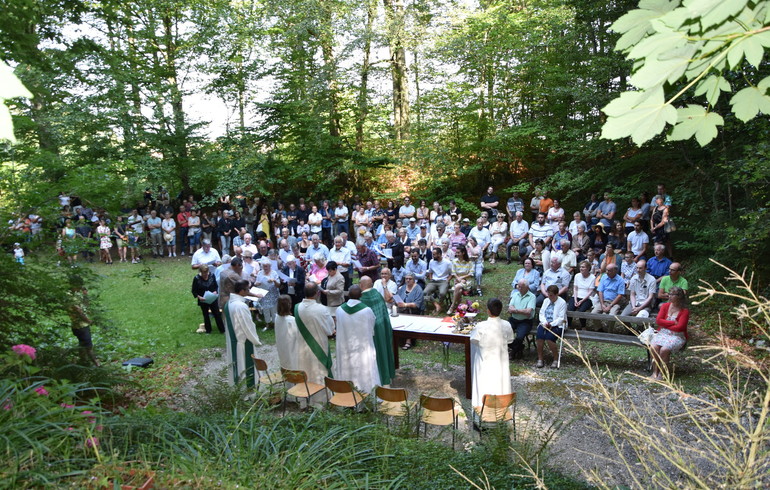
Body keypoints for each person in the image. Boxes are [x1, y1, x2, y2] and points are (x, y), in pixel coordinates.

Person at [334, 285, 380, 393]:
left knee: (347, 368)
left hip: (345, 346)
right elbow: (371, 326)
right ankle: (366, 393)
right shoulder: (367, 310)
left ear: (348, 295)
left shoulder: (339, 310)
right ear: (361, 296)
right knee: (363, 368)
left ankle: (346, 394)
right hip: (362, 348)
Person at [470, 298, 514, 410]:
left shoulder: (481, 326)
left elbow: (473, 340)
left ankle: (482, 412)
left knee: (484, 387)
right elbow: (510, 339)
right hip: (500, 362)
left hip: (484, 363)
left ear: (488, 311)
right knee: (500, 386)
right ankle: (500, 413)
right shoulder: (506, 325)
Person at [223, 280, 263, 386]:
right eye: (248, 289)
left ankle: (238, 388)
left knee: (238, 366)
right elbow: (247, 326)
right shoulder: (240, 306)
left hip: (234, 340)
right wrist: (256, 340)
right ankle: (247, 392)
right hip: (243, 342)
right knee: (244, 366)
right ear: (241, 291)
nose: (249, 291)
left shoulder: (229, 303)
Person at [294, 282, 335, 385]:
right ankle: (321, 398)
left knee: (305, 370)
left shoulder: (297, 307)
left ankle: (305, 395)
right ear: (317, 293)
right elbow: (330, 329)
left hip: (302, 346)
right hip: (319, 347)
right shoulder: (321, 309)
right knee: (319, 373)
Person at [358, 276, 395, 386]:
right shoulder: (377, 295)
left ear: (361, 285)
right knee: (382, 352)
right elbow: (384, 313)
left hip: (368, 333)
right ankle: (386, 378)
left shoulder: (362, 299)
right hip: (381, 330)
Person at [650, 286, 689, 380]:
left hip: (677, 336)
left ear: (679, 296)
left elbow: (680, 327)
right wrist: (672, 322)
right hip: (663, 333)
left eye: (672, 294)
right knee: (653, 347)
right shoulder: (665, 306)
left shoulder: (684, 311)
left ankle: (663, 374)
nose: (669, 296)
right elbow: (658, 321)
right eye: (669, 293)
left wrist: (665, 324)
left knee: (664, 350)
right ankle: (655, 372)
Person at [67, 275, 99, 366]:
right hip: (80, 325)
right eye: (79, 285)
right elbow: (78, 311)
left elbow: (86, 306)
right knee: (88, 347)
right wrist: (88, 320)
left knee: (82, 345)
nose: (80, 288)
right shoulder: (69, 296)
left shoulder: (76, 294)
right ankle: (97, 365)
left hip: (82, 325)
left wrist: (85, 295)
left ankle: (83, 363)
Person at [536, 285, 567, 368]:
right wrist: (545, 322)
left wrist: (551, 324)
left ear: (556, 294)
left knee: (549, 338)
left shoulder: (562, 302)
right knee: (540, 337)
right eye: (548, 295)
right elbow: (541, 313)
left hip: (557, 325)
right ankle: (540, 358)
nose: (549, 297)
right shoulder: (546, 301)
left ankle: (556, 359)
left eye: (551, 295)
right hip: (545, 323)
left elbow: (561, 318)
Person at [191, 264, 225, 334]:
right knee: (206, 315)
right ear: (200, 272)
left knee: (217, 313)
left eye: (206, 273)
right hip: (203, 299)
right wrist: (199, 297)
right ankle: (208, 330)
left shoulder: (212, 276)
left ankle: (222, 330)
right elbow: (194, 291)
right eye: (204, 273)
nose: (205, 275)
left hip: (212, 298)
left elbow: (215, 286)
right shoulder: (197, 279)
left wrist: (215, 291)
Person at [508, 280, 535, 360]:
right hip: (513, 319)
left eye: (521, 287)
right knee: (503, 332)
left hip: (525, 321)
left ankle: (513, 351)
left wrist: (516, 310)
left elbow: (528, 312)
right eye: (518, 286)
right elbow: (510, 308)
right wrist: (521, 311)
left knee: (520, 337)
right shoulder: (515, 294)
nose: (518, 288)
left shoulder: (532, 297)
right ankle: (519, 347)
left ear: (526, 287)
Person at [423, 247, 454, 313]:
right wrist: (431, 279)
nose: (433, 256)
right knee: (425, 292)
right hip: (434, 280)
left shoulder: (447, 262)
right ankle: (437, 305)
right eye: (432, 254)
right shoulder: (431, 261)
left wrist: (447, 280)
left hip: (443, 280)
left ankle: (440, 304)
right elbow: (430, 271)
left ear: (439, 254)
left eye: (434, 254)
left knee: (442, 293)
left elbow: (452, 274)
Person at [567, 261, 595, 329]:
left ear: (588, 268)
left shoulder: (592, 277)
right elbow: (575, 289)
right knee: (570, 309)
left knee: (581, 311)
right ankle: (568, 325)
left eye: (583, 267)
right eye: (580, 267)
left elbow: (590, 292)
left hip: (587, 298)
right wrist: (576, 300)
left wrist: (581, 301)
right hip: (576, 296)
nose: (581, 268)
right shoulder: (577, 276)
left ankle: (583, 327)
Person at [275, 295, 300, 370]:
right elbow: (298, 334)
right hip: (291, 346)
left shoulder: (277, 317)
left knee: (284, 361)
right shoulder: (291, 320)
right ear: (289, 305)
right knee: (292, 363)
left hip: (281, 344)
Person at [448, 246, 474, 314]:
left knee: (457, 287)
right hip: (458, 281)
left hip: (467, 282)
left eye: (458, 252)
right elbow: (453, 272)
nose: (457, 254)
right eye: (456, 252)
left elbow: (471, 273)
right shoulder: (454, 261)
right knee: (459, 290)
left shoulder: (469, 262)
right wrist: (458, 279)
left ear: (463, 253)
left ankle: (452, 306)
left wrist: (462, 278)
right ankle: (458, 306)